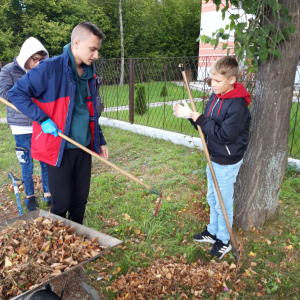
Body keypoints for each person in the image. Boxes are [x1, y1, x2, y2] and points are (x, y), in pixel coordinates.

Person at [8, 22, 108, 224]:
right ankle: (58, 245)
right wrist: (43, 119)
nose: (96, 55)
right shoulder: (50, 68)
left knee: (80, 200)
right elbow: (16, 93)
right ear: (77, 43)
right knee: (61, 203)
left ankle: (77, 241)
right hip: (59, 147)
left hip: (84, 146)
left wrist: (100, 139)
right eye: (93, 49)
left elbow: (89, 112)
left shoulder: (90, 74)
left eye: (97, 50)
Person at [173, 56, 251, 259]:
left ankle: (224, 240)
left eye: (217, 81)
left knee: (222, 202)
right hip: (212, 155)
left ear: (232, 80)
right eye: (211, 80)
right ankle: (213, 231)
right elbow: (205, 125)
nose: (212, 85)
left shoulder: (237, 105)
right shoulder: (216, 97)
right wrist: (190, 115)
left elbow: (224, 135)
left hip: (226, 160)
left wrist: (198, 118)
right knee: (212, 198)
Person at [0, 37, 51, 212]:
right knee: (26, 162)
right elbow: (6, 95)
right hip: (20, 125)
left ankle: (48, 193)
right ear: (25, 57)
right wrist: (28, 102)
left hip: (41, 123)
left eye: (40, 60)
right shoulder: (8, 70)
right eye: (34, 59)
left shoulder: (41, 70)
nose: (37, 63)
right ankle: (30, 196)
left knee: (45, 159)